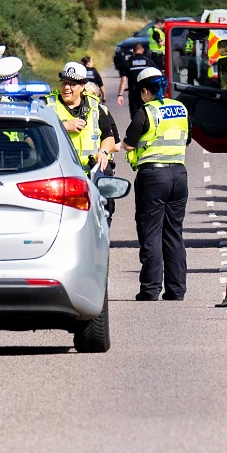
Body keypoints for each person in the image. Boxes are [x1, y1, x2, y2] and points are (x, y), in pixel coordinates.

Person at [124, 66, 188, 301]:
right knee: (174, 233)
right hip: (179, 175)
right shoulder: (180, 108)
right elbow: (187, 139)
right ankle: (176, 290)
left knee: (150, 232)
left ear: (144, 91)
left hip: (153, 177)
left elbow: (129, 144)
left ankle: (150, 290)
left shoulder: (146, 112)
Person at [54, 62, 117, 173]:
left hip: (91, 172)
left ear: (82, 86)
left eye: (72, 84)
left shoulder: (95, 107)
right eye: (64, 83)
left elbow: (109, 137)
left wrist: (103, 152)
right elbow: (33, 136)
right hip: (60, 173)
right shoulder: (48, 105)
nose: (67, 88)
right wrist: (63, 126)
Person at [117, 41, 150, 126]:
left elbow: (123, 80)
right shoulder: (148, 61)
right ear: (142, 50)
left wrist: (120, 95)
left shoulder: (128, 62)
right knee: (148, 113)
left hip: (134, 93)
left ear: (133, 51)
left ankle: (137, 131)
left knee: (135, 116)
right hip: (147, 93)